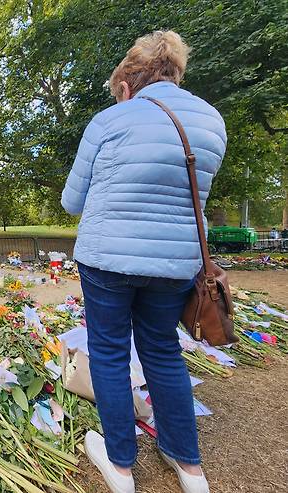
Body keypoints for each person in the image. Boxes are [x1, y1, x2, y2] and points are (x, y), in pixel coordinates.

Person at [62, 31, 224, 493]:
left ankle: (121, 467)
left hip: (108, 258)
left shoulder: (111, 120)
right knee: (162, 351)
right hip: (175, 263)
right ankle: (189, 468)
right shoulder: (212, 121)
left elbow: (72, 201)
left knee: (110, 354)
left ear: (129, 81)